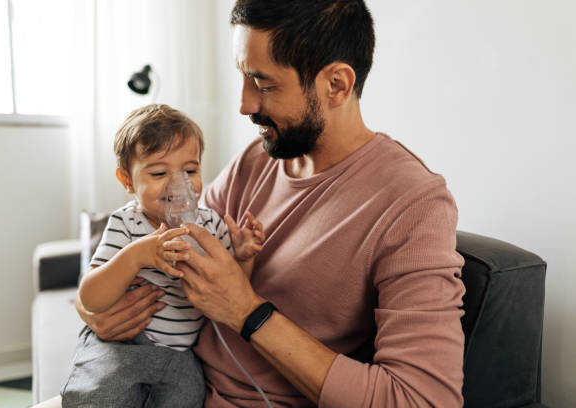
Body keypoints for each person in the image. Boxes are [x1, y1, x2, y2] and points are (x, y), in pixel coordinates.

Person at [34, 1, 465, 407]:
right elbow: (134, 254)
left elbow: (422, 399)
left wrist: (245, 310)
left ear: (337, 85)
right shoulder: (259, 158)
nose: (244, 105)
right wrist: (92, 312)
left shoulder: (413, 204)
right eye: (243, 78)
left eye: (262, 83)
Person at [61, 104, 265, 407]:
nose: (179, 184)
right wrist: (135, 257)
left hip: (181, 355)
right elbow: (90, 298)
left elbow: (232, 290)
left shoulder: (210, 224)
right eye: (159, 172)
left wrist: (244, 256)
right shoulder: (126, 224)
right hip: (122, 346)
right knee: (100, 394)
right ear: (127, 180)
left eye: (191, 170)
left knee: (187, 398)